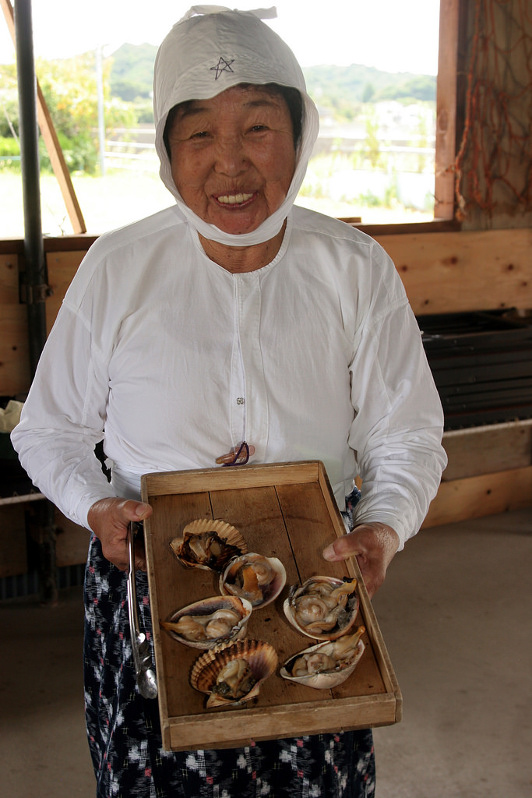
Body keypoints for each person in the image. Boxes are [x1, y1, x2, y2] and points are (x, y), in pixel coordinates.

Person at [11, 7, 447, 797]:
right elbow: (51, 431)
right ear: (167, 150)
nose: (230, 164)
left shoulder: (354, 269)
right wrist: (94, 508)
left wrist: (384, 525)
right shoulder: (120, 268)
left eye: (257, 127)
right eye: (200, 136)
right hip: (150, 579)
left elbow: (407, 434)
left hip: (312, 586)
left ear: (298, 134)